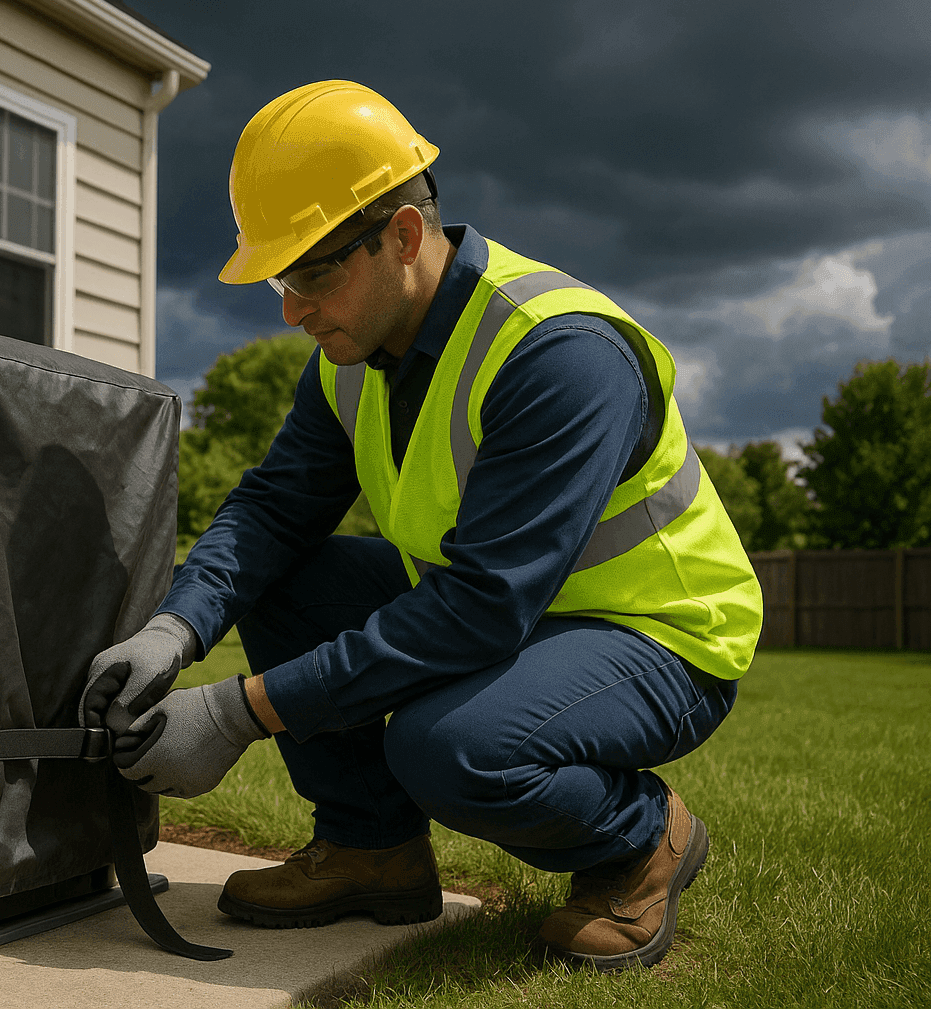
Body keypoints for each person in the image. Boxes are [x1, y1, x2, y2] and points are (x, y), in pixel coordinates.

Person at [81, 80, 762, 973]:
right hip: (516, 614)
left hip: (656, 636)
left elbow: (480, 607)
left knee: (449, 749)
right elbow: (272, 511)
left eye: (314, 272)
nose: (291, 309)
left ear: (404, 236)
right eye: (280, 278)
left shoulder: (559, 355)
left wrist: (236, 713)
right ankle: (373, 852)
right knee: (291, 572)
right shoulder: (350, 357)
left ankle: (640, 842)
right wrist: (179, 627)